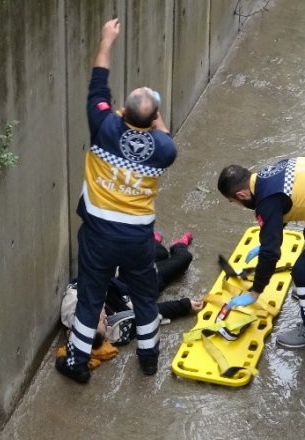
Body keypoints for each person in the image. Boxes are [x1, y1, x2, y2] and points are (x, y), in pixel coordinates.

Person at [56, 17, 177, 384]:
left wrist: (107, 40)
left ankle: (77, 363)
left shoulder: (104, 126)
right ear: (155, 117)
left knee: (91, 295)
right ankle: (149, 357)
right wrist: (153, 119)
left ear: (122, 111)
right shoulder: (164, 150)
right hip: (138, 238)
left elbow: (98, 83)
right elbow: (165, 136)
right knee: (143, 295)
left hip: (98, 234)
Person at [217, 157, 305, 348]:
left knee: (304, 270)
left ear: (241, 194)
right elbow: (285, 202)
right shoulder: (268, 174)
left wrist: (255, 292)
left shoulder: (266, 201)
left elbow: (271, 253)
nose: (237, 205)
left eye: (234, 202)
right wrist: (268, 240)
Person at [59, 231, 202, 348]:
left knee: (159, 253)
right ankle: (177, 245)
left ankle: (153, 242)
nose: (104, 318)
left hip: (123, 275)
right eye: (102, 323)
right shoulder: (116, 331)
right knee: (184, 258)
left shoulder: (76, 299)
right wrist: (185, 305)